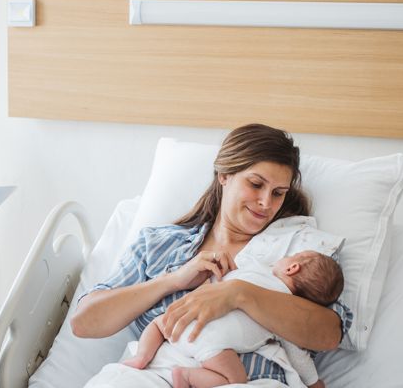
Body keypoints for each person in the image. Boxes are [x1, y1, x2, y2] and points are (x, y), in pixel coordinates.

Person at [72, 123, 353, 386]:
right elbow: (84, 322)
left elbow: (328, 334)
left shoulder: (301, 250)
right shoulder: (161, 243)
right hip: (155, 376)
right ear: (225, 175)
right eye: (256, 184)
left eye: (278, 193)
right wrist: (173, 281)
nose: (266, 203)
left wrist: (239, 293)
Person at [124, 249, 344, 388]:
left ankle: (141, 357)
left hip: (183, 322)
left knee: (158, 322)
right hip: (213, 347)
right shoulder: (284, 316)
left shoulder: (252, 271)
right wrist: (314, 382)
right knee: (236, 381)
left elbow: (221, 277)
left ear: (292, 267)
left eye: (291, 255)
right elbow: (298, 356)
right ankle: (188, 378)